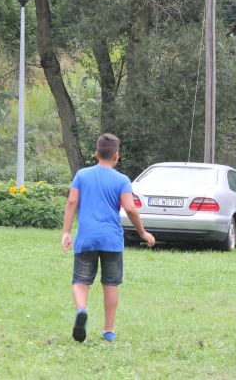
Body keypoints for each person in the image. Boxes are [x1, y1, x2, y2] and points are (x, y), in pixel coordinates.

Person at [61, 133, 155, 343]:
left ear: (96, 154)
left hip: (86, 237)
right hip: (112, 240)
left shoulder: (81, 175)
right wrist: (143, 233)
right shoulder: (122, 180)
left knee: (80, 280)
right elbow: (130, 208)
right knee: (111, 284)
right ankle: (109, 331)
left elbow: (71, 202)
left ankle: (81, 310)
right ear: (116, 156)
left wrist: (66, 231)